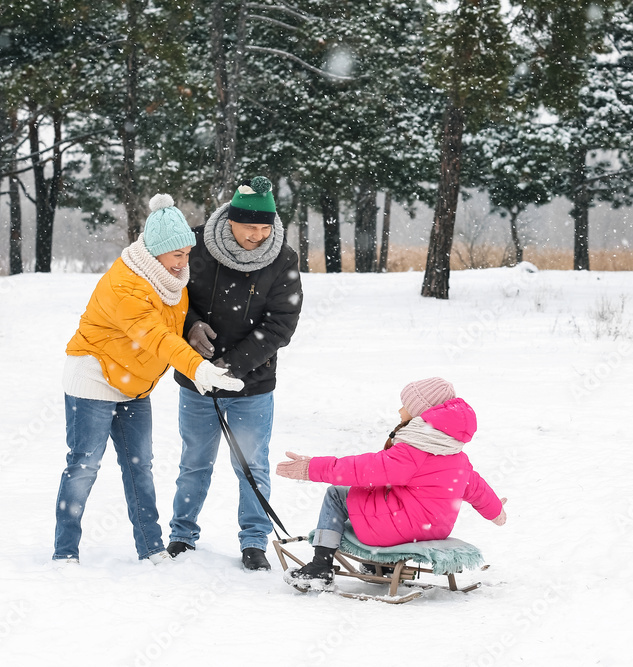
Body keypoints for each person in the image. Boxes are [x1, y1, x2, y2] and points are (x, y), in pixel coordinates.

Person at [52, 194, 244, 564]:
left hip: (134, 382)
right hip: (94, 376)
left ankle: (151, 547)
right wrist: (198, 369)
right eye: (177, 255)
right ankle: (65, 552)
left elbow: (173, 327)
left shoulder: (171, 280)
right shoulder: (126, 284)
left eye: (187, 254)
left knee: (139, 465)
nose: (184, 263)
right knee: (83, 466)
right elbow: (155, 336)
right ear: (156, 252)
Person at [166, 176, 302, 571]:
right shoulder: (196, 247)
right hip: (196, 378)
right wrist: (190, 325)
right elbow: (171, 295)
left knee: (251, 464)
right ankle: (181, 534)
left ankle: (254, 540)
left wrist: (229, 367)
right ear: (230, 222)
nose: (258, 236)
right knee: (194, 460)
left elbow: (282, 324)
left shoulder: (283, 258)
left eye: (266, 227)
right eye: (250, 227)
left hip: (252, 382)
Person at [274, 377, 508, 590]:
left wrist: (311, 467)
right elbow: (478, 489)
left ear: (422, 413)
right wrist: (497, 510)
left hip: (399, 529)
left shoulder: (412, 452)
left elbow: (362, 470)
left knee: (338, 494)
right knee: (380, 496)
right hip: (433, 530)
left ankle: (320, 567)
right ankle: (381, 565)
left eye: (406, 405)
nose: (400, 410)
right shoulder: (456, 456)